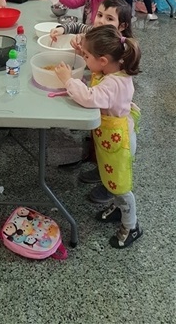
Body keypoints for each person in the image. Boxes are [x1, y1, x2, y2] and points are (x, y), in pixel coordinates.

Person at [55, 25, 143, 249]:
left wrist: (68, 80)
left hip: (118, 143)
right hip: (110, 141)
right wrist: (83, 49)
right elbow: (95, 73)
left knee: (121, 186)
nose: (84, 59)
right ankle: (118, 208)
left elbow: (89, 97)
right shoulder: (111, 70)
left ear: (103, 60)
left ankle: (131, 226)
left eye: (86, 56)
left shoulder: (113, 84)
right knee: (110, 178)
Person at [50, 0, 133, 205]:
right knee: (102, 153)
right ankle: (101, 171)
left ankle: (112, 192)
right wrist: (87, 53)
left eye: (109, 18)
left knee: (116, 171)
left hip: (117, 134)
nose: (101, 21)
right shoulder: (110, 55)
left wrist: (69, 80)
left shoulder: (114, 75)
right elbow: (99, 69)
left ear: (122, 26)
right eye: (100, 15)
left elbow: (90, 97)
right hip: (107, 124)